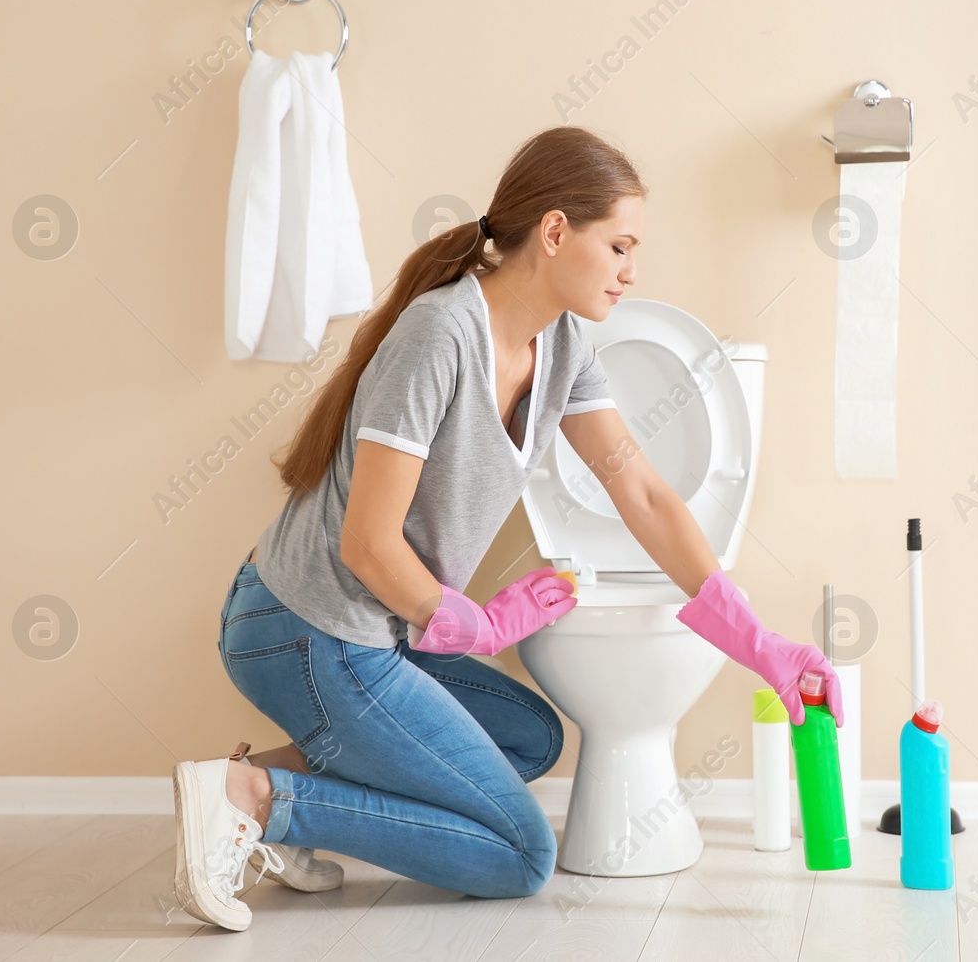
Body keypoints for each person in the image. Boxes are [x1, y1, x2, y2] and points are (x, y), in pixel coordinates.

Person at [171, 125, 845, 931]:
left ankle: (241, 793)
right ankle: (261, 799)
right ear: (556, 231)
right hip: (304, 630)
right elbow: (366, 544)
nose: (634, 271)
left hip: (374, 635)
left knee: (528, 737)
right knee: (521, 855)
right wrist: (476, 623)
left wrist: (761, 645)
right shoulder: (440, 334)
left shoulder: (561, 345)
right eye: (621, 245)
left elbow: (643, 492)